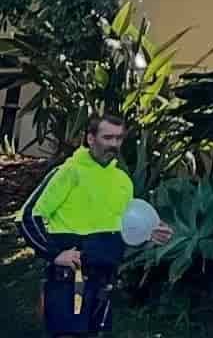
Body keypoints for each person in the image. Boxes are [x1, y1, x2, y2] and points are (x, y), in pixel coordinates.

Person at [18, 109, 173, 335]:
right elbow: (27, 216)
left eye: (119, 138)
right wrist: (54, 254)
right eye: (107, 137)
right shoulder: (68, 172)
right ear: (90, 139)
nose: (114, 144)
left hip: (105, 279)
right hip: (71, 280)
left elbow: (122, 227)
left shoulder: (123, 181)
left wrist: (150, 234)